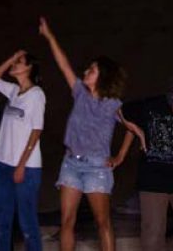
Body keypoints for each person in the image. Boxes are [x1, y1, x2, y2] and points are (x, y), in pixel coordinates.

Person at [38, 16, 140, 251]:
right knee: (67, 222)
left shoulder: (112, 104)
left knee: (102, 222)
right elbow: (63, 64)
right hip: (70, 163)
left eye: (91, 69)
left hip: (97, 167)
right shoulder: (79, 93)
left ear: (102, 76)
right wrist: (50, 36)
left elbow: (131, 128)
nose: (86, 71)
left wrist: (121, 156)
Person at [115, 77, 173, 251]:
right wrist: (138, 133)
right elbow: (119, 111)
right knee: (152, 239)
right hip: (152, 182)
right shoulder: (150, 105)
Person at [0, 50, 46, 251]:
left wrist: (21, 164)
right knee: (2, 221)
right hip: (1, 162)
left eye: (19, 62)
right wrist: (11, 58)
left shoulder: (36, 95)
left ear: (29, 67)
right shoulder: (13, 91)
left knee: (26, 221)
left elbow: (36, 130)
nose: (14, 65)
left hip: (26, 167)